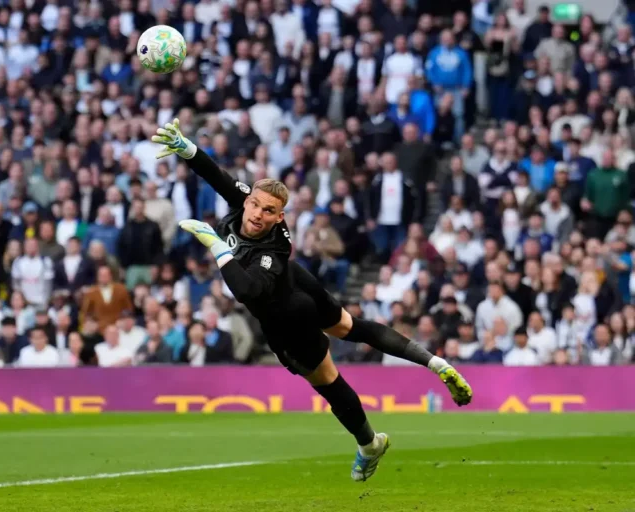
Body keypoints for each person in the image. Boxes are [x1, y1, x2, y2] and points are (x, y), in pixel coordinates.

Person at [151, 118, 472, 482]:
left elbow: (248, 291)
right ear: (248, 199)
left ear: (280, 217)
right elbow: (217, 176)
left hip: (286, 315)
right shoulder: (246, 203)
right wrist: (188, 149)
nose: (257, 214)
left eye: (268, 212)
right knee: (350, 326)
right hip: (301, 281)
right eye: (254, 204)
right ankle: (434, 362)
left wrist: (216, 246)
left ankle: (370, 444)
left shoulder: (273, 248)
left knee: (329, 381)